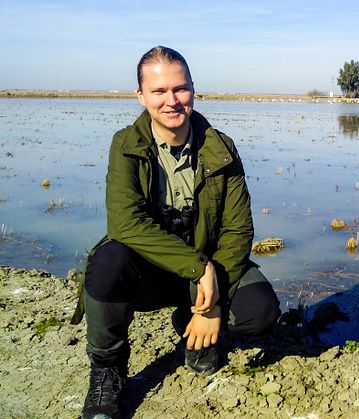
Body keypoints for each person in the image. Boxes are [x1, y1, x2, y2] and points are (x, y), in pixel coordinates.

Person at [72, 46, 281, 419]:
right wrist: (200, 270)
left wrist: (210, 303)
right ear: (141, 96)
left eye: (180, 89)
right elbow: (125, 223)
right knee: (107, 262)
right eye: (159, 91)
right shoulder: (126, 145)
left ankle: (191, 324)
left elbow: (237, 229)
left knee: (260, 312)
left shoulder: (221, 148)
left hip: (207, 270)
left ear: (193, 90)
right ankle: (107, 371)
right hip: (154, 270)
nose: (172, 100)